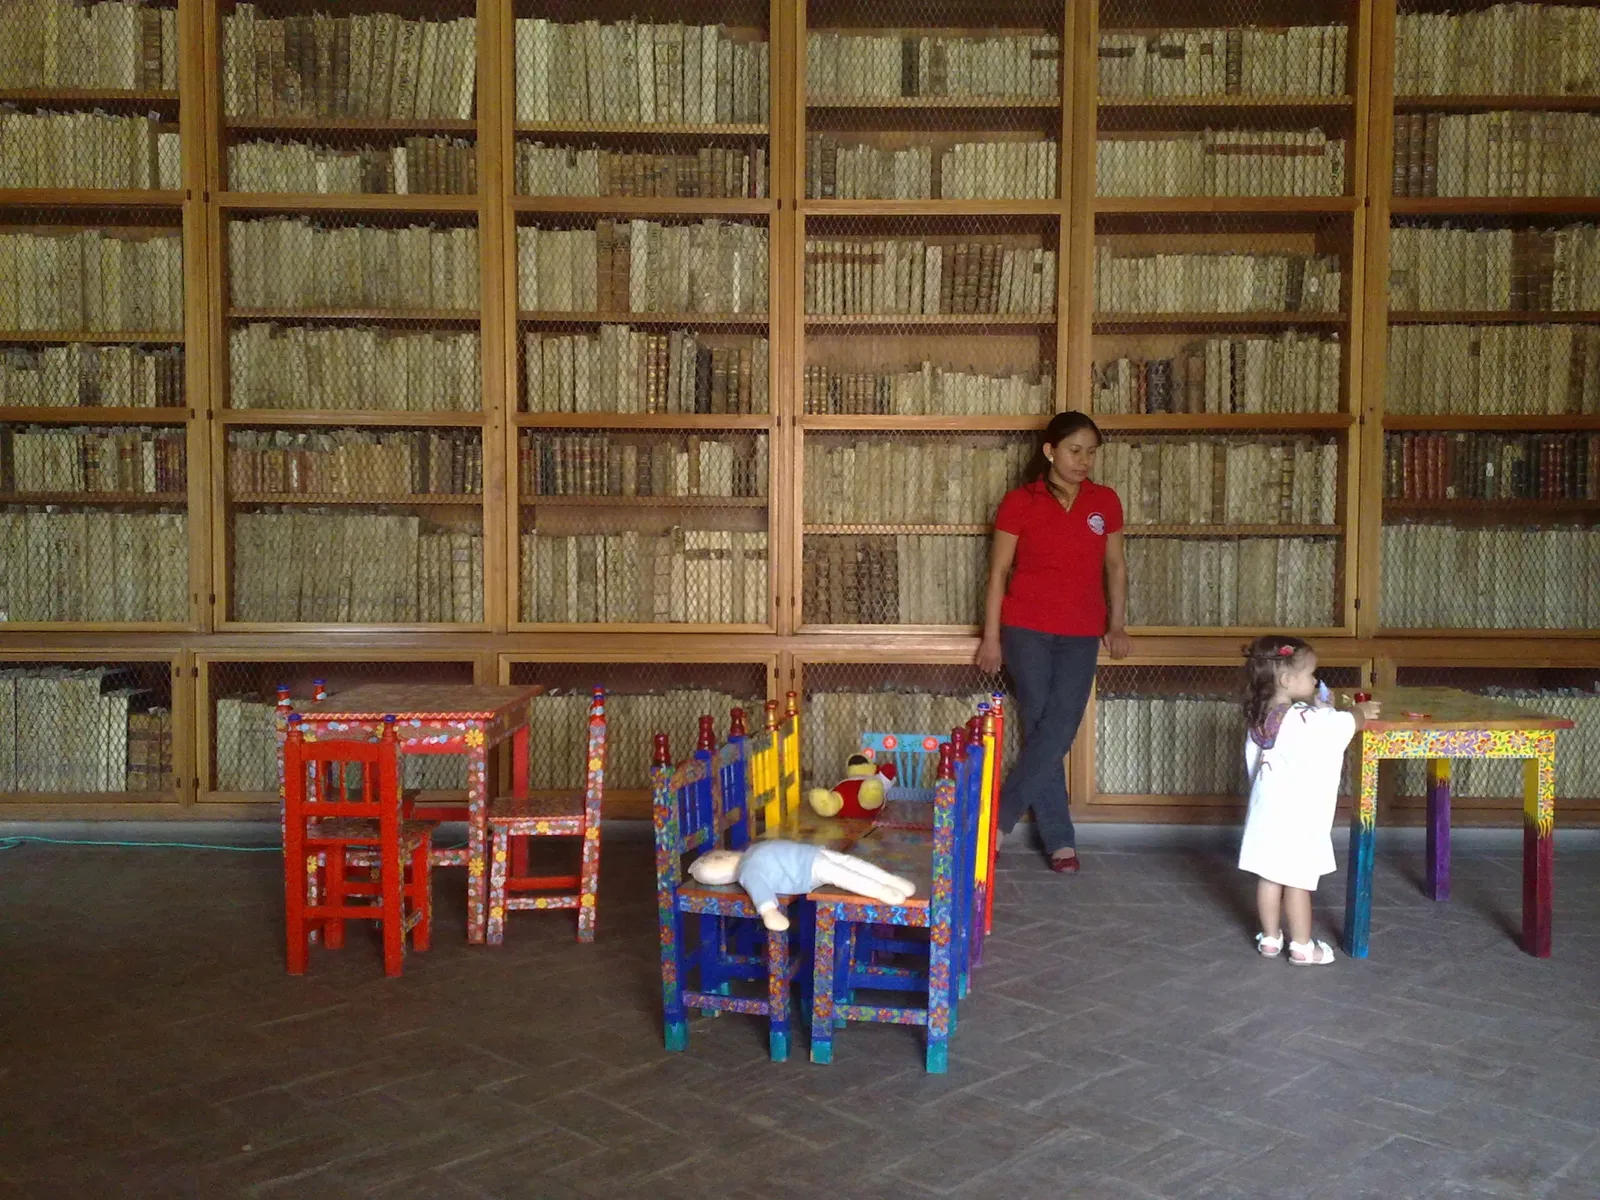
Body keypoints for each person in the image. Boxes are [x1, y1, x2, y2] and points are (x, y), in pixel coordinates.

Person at [976, 411, 1130, 873]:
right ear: (1050, 451)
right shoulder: (1020, 501)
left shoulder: (1105, 502)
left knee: (1058, 728)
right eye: (1074, 450)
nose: (1084, 460)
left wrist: (1117, 625)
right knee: (1042, 724)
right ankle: (1061, 839)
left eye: (1091, 452)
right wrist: (990, 638)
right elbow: (999, 572)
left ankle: (995, 822)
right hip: (1025, 628)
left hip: (1083, 631)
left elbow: (1116, 567)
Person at [1238, 636, 1381, 965]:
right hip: (1296, 818)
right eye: (1311, 674)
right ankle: (1303, 946)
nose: (1316, 680)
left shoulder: (1262, 717)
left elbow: (1269, 751)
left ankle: (1271, 938)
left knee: (1269, 877)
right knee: (1298, 883)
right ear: (1287, 680)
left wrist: (1318, 709)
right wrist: (1358, 712)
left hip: (1265, 814)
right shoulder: (1308, 721)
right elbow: (1341, 726)